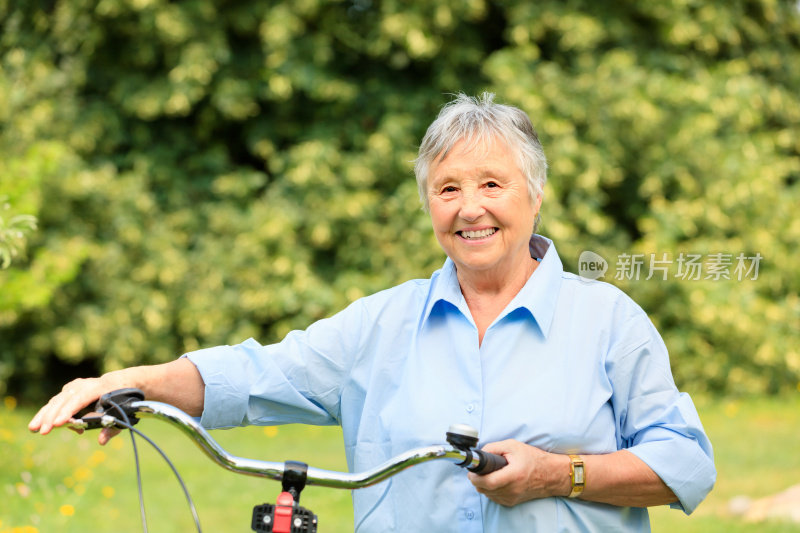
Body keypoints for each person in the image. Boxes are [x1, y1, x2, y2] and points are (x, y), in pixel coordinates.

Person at [30, 93, 716, 532]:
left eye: (491, 184)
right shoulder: (381, 324)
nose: (468, 206)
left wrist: (557, 472)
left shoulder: (609, 321)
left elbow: (685, 462)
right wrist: (133, 382)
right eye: (447, 187)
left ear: (533, 196)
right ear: (428, 206)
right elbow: (253, 374)